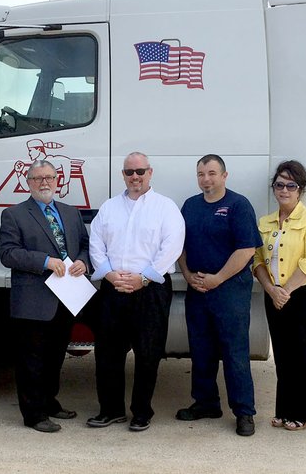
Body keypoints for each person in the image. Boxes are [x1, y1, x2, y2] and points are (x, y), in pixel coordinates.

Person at [88, 152, 185, 432]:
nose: (135, 177)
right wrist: (109, 274)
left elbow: (172, 247)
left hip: (150, 290)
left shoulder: (166, 208)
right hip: (113, 288)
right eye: (129, 172)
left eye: (140, 171)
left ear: (150, 173)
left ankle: (142, 412)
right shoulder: (109, 208)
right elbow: (96, 244)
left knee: (148, 353)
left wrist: (144, 278)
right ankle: (111, 410)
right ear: (123, 175)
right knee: (107, 353)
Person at [0, 160, 90, 433]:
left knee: (55, 357)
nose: (44, 182)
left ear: (57, 180)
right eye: (38, 178)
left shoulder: (70, 213)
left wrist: (84, 262)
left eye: (49, 177)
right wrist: (45, 261)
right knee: (31, 361)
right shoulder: (14, 214)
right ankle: (34, 415)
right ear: (28, 182)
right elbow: (7, 253)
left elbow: (85, 245)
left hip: (66, 298)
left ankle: (50, 402)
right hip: (33, 301)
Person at [176, 154, 261, 437]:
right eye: (201, 174)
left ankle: (244, 412)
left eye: (212, 173)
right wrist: (188, 275)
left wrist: (218, 279)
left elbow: (246, 249)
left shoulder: (238, 205)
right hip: (198, 288)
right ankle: (206, 403)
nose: (206, 179)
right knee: (201, 350)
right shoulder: (190, 206)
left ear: (224, 176)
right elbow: (180, 245)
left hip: (229, 290)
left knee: (235, 352)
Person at [253, 160, 306, 431]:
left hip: (301, 294)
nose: (284, 190)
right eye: (279, 185)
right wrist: (272, 290)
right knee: (283, 356)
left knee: (303, 355)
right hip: (274, 296)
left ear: (300, 189)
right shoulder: (265, 222)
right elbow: (257, 260)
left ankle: (305, 414)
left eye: (290, 185)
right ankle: (284, 411)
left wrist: (286, 291)